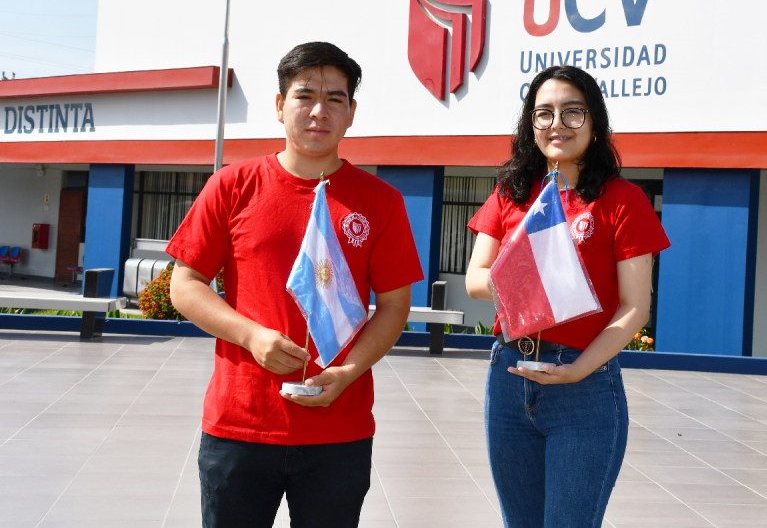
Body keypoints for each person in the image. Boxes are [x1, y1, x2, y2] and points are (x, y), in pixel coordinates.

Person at [169, 42, 424, 528]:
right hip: (240, 426)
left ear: (351, 112)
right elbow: (187, 283)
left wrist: (347, 372)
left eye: (335, 99)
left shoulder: (382, 201)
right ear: (280, 105)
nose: (318, 111)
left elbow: (393, 307)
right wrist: (251, 336)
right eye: (304, 95)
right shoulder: (232, 185)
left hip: (339, 430)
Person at [465, 65, 670, 528]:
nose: (557, 123)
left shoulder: (622, 200)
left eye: (572, 112)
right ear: (530, 126)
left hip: (584, 386)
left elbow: (635, 308)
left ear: (594, 124)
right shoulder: (512, 195)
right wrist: (528, 277)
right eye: (544, 113)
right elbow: (476, 280)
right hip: (509, 377)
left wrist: (580, 368)